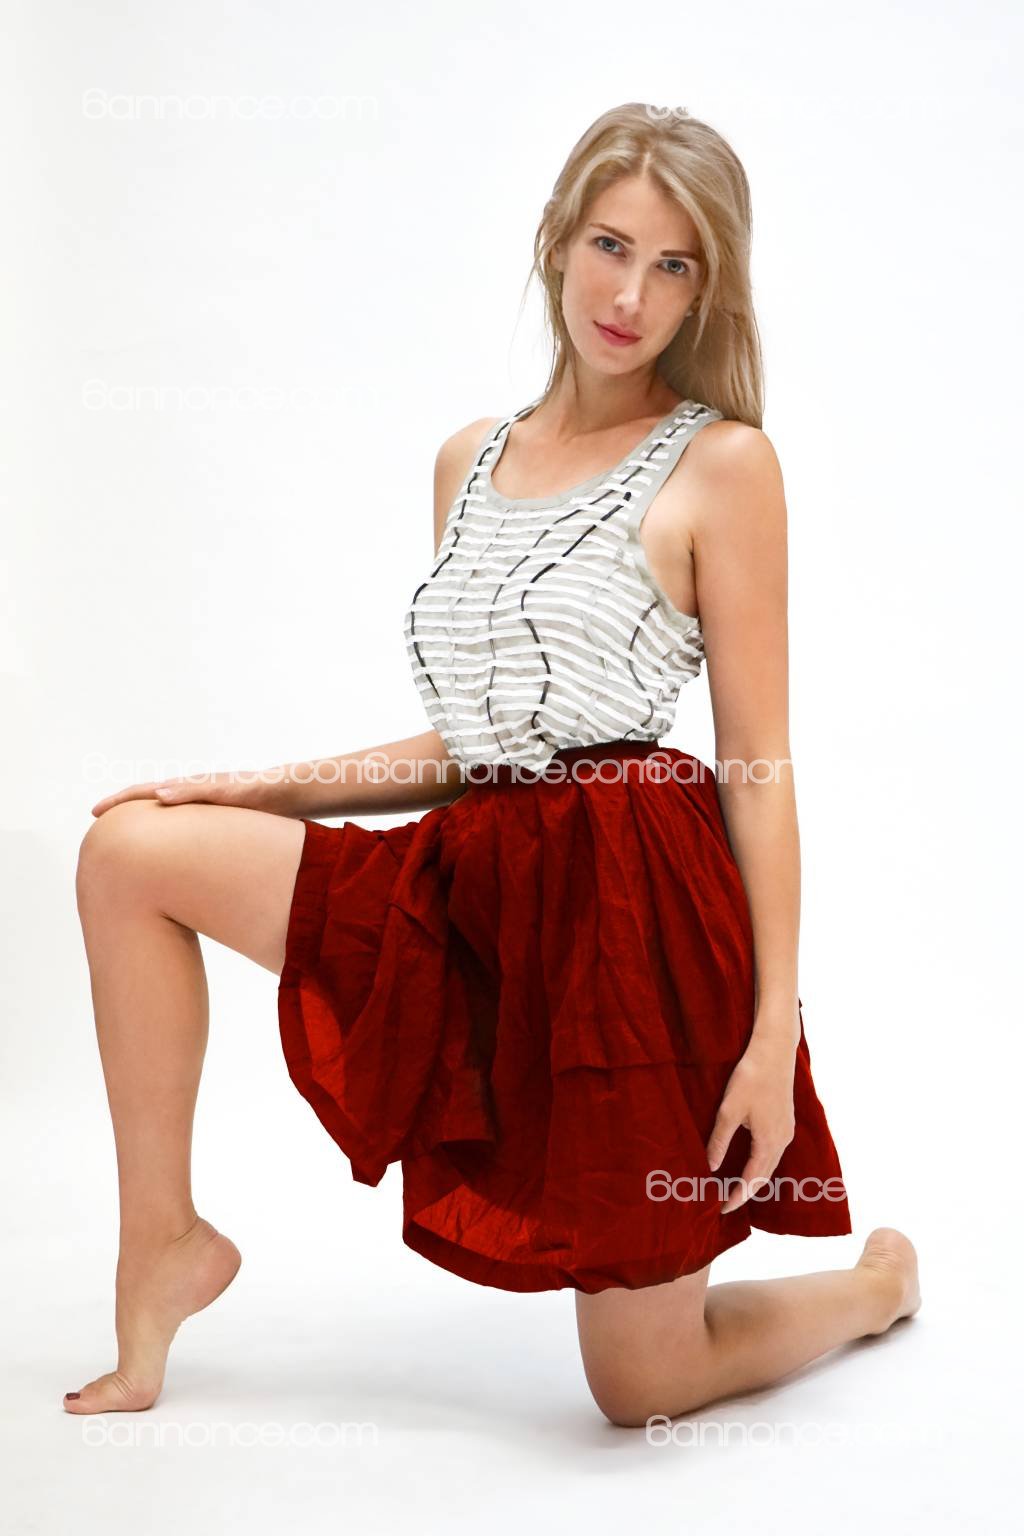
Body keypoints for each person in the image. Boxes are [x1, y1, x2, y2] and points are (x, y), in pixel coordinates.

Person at [65, 103, 920, 1426]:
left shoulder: (726, 465)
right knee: (130, 851)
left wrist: (772, 1034)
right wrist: (258, 788)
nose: (630, 296)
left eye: (675, 266)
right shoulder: (469, 460)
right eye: (611, 246)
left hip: (627, 912)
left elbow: (759, 766)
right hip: (474, 887)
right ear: (556, 240)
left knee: (643, 1383)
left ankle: (874, 1288)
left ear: (707, 291)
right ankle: (162, 1247)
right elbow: (483, 750)